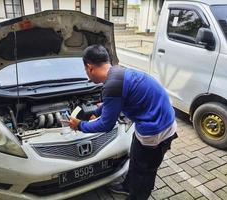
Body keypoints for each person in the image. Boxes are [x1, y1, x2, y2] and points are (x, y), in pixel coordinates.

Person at [69, 44, 177, 200]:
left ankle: (138, 196)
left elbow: (106, 125)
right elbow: (114, 101)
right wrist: (96, 112)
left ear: (89, 67)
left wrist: (79, 125)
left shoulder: (112, 85)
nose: (86, 74)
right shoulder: (116, 73)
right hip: (153, 119)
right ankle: (127, 186)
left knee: (145, 170)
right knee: (135, 156)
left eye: (85, 70)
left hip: (156, 129)